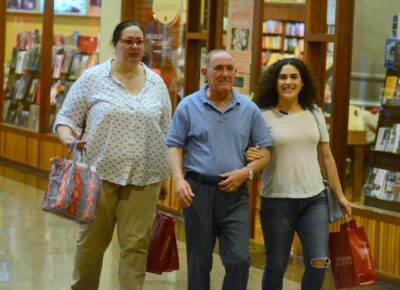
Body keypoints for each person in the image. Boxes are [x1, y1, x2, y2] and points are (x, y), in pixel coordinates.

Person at [53, 20, 172, 290]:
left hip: (145, 178)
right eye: (128, 41)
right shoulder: (93, 78)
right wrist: (69, 138)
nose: (135, 46)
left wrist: (165, 177)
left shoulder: (156, 83)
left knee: (136, 248)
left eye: (139, 41)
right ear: (115, 44)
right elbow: (66, 117)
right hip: (99, 177)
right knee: (90, 246)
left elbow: (166, 129)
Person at [166, 49, 273, 290]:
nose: (225, 73)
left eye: (229, 69)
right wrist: (179, 180)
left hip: (235, 194)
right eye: (218, 68)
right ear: (205, 73)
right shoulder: (188, 106)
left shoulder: (249, 109)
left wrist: (246, 172)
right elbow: (174, 145)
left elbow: (266, 152)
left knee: (239, 260)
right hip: (197, 191)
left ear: (235, 72)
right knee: (199, 262)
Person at [248, 57, 352, 290]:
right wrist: (250, 155)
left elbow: (327, 158)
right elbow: (251, 152)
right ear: (274, 82)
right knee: (276, 266)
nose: (288, 82)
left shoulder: (314, 113)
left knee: (318, 262)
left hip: (314, 200)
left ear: (302, 83)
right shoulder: (261, 115)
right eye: (283, 77)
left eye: (294, 77)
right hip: (277, 201)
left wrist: (340, 195)